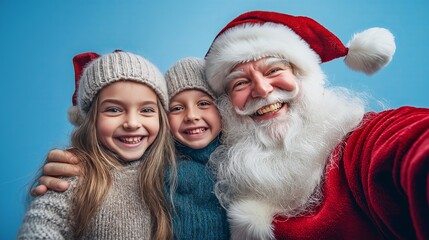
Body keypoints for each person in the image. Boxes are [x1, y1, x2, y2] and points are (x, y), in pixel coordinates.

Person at [203, 11, 428, 239]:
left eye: (274, 70)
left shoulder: (362, 143)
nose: (262, 89)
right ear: (226, 106)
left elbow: (412, 142)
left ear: (304, 77)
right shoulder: (220, 194)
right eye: (240, 83)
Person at [19, 51, 176, 239]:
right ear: (91, 119)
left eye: (147, 110)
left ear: (161, 117)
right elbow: (43, 223)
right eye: (114, 109)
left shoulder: (171, 172)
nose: (133, 123)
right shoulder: (75, 174)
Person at [163, 57, 230, 239]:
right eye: (176, 108)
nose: (191, 116)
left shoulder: (242, 158)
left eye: (203, 103)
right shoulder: (160, 168)